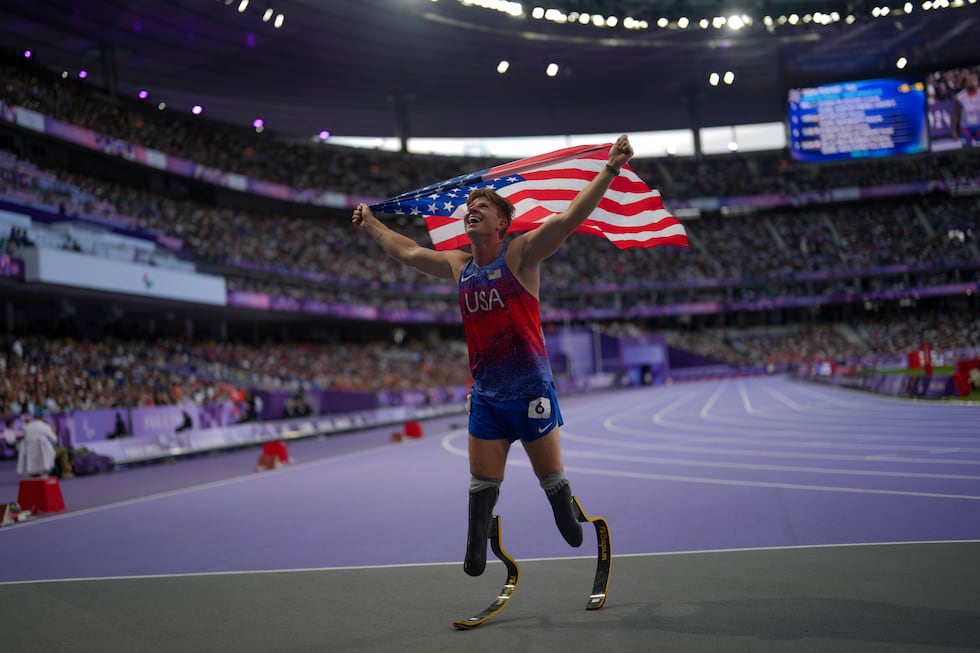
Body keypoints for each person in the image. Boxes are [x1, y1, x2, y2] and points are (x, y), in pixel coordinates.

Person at [352, 134, 635, 576]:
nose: (472, 210)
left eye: (482, 206)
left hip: (531, 393)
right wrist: (371, 223)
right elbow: (406, 251)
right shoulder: (458, 265)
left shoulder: (521, 256)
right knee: (481, 485)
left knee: (554, 489)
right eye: (470, 207)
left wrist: (610, 170)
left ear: (503, 222)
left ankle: (565, 507)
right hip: (486, 396)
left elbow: (568, 219)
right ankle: (474, 551)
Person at [16, 412, 59, 478]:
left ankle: (35, 471)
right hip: (45, 454)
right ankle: (63, 472)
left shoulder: (26, 427)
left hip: (30, 456)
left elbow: (22, 432)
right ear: (43, 417)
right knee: (63, 450)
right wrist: (53, 431)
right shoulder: (45, 426)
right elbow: (55, 439)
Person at [951, 71, 980, 147]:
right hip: (966, 128)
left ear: (977, 82)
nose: (971, 83)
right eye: (969, 81)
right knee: (967, 151)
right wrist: (954, 130)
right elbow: (956, 115)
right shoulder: (960, 97)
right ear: (965, 83)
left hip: (979, 127)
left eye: (973, 81)